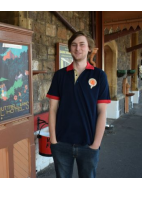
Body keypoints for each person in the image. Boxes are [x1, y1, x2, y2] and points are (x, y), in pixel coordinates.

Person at [46, 31, 111, 178]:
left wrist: (96, 144)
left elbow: (102, 112)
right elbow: (53, 109)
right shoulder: (60, 75)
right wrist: (54, 140)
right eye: (74, 45)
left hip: (88, 144)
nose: (78, 48)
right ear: (69, 48)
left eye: (82, 44)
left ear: (89, 48)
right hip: (61, 143)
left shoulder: (99, 75)